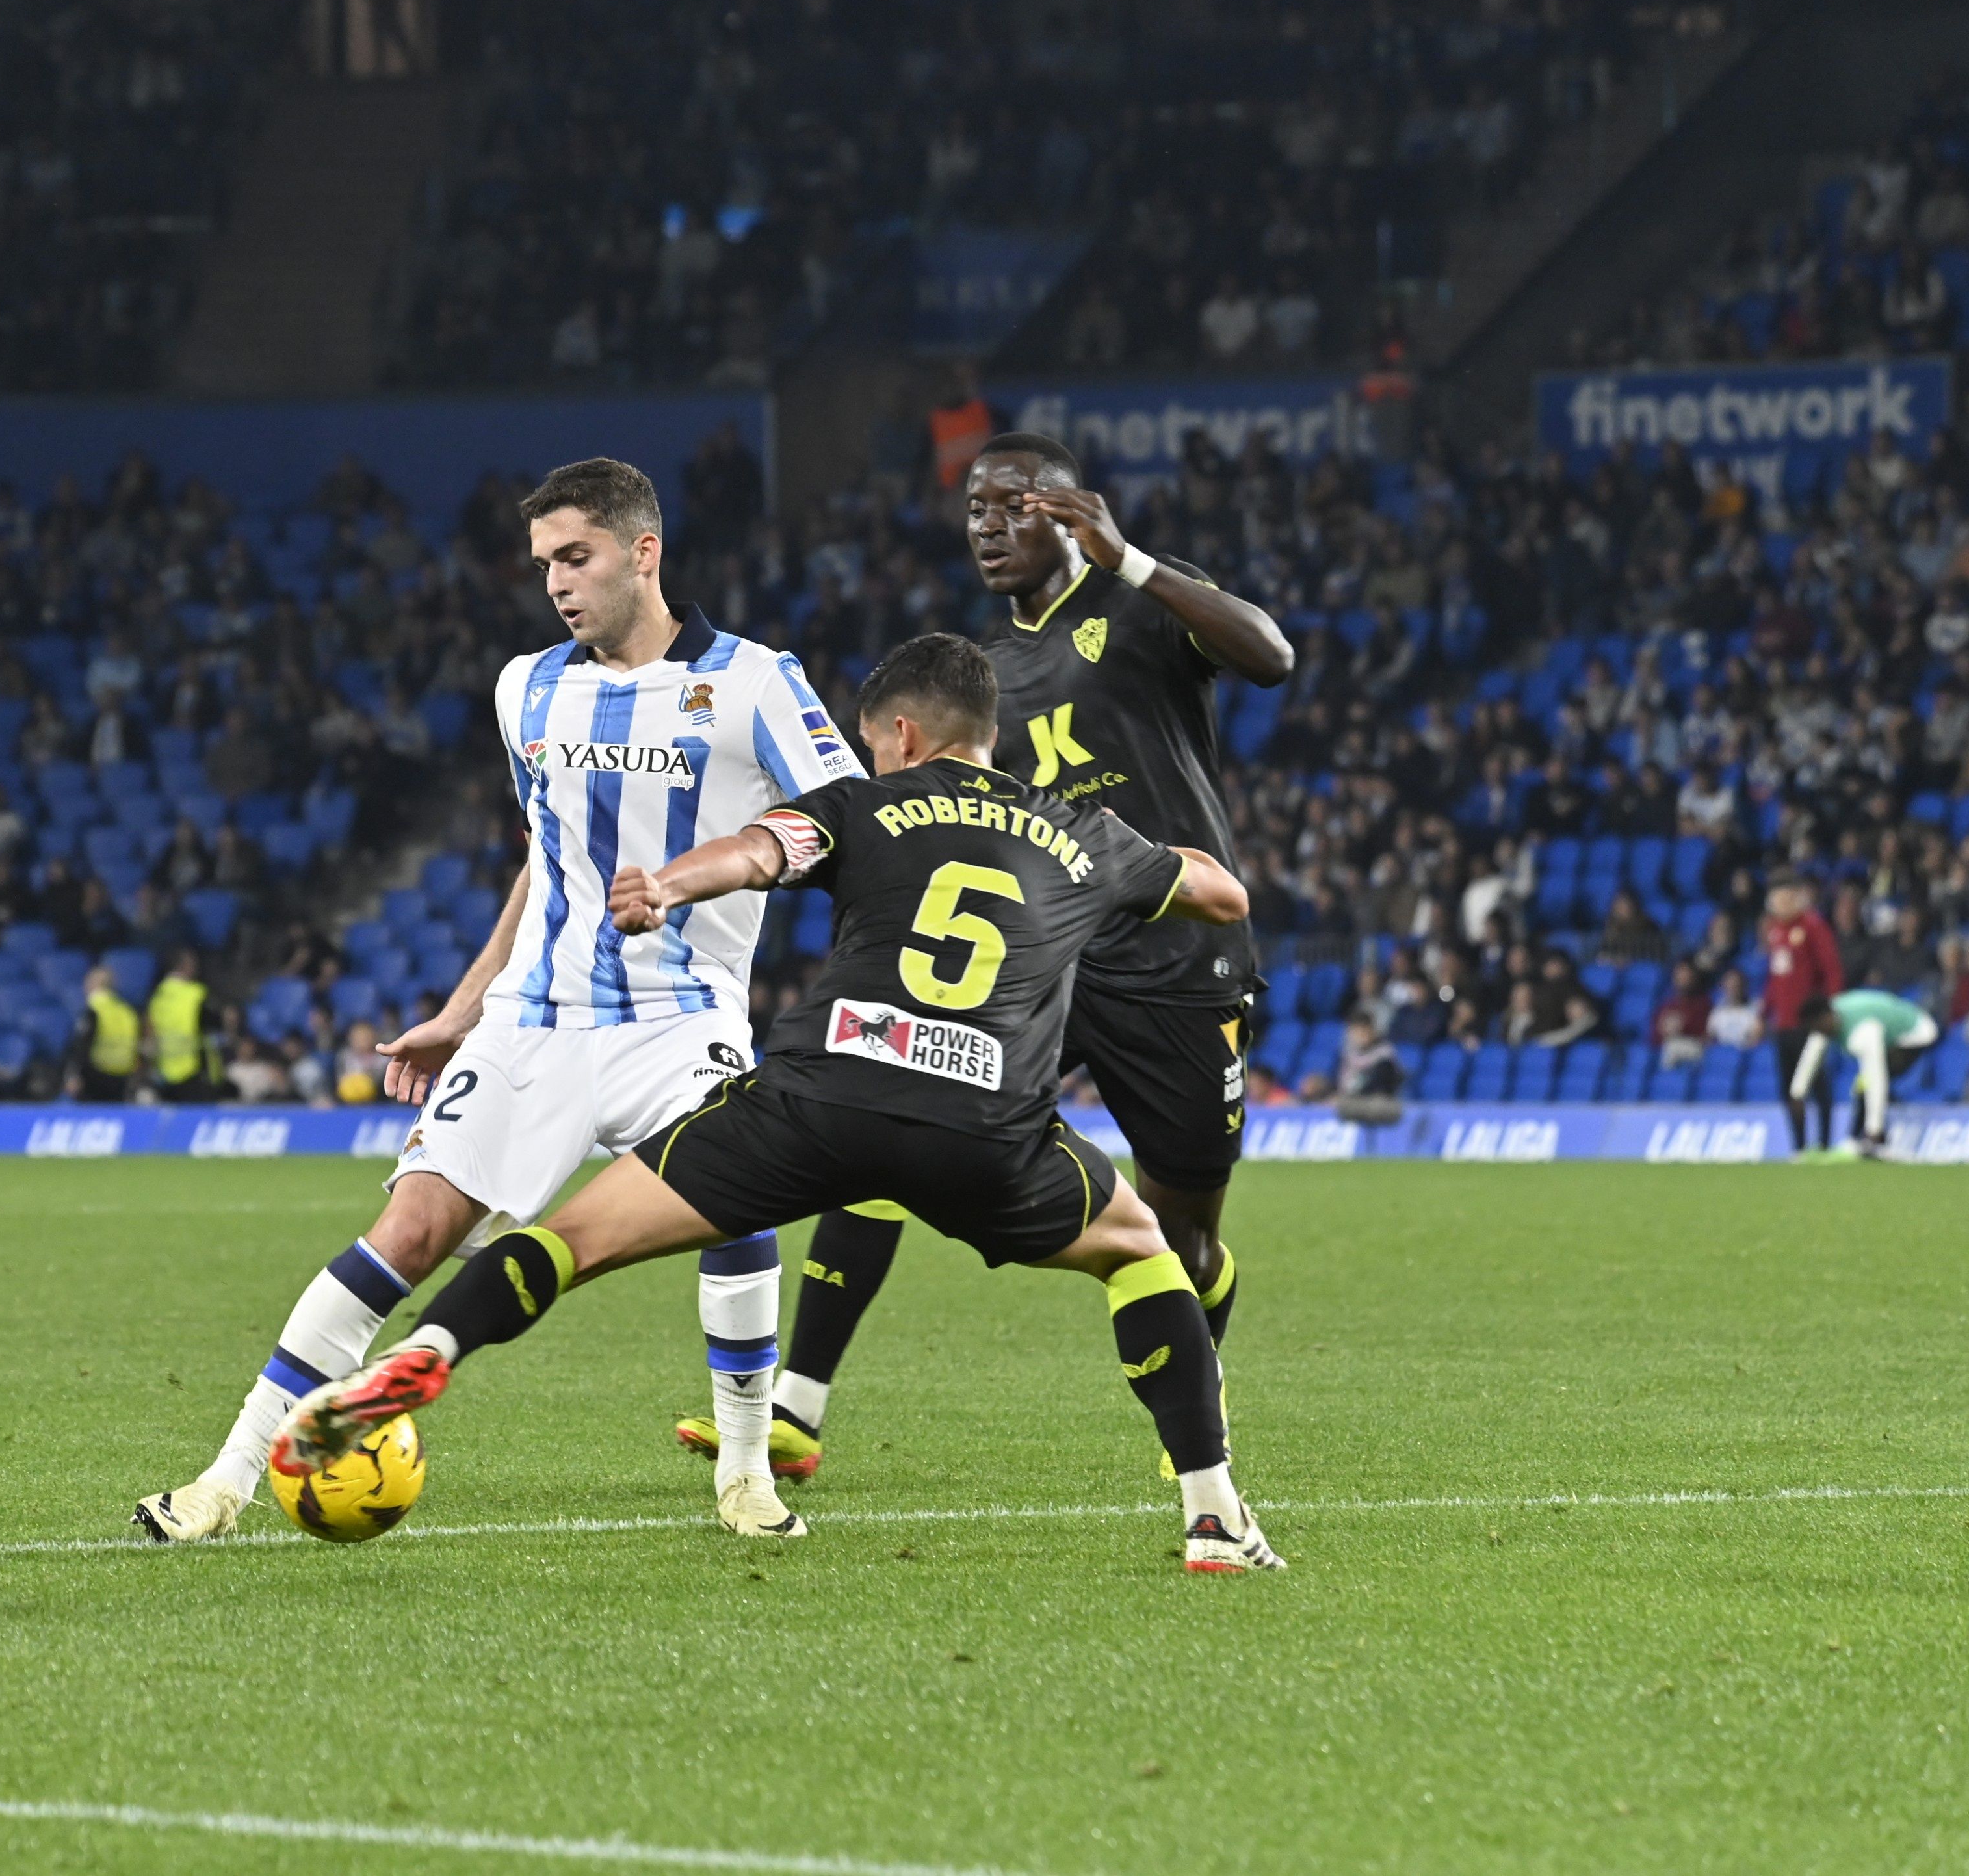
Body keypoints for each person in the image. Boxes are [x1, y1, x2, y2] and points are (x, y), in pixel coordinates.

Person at [276, 633, 1281, 1571]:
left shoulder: (861, 803)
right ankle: (1214, 1514)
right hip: (987, 1127)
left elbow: (759, 850)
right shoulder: (1080, 837)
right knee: (1141, 1249)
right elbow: (1220, 894)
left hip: (820, 1100)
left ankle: (429, 1348)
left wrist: (669, 886)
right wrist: (1143, 858)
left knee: (571, 1239)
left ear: (901, 735)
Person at [135, 456, 862, 1543]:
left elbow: (849, 816)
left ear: (644, 551)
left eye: (577, 556)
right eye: (543, 564)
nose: (557, 583)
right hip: (535, 1017)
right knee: (410, 1228)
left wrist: (729, 869)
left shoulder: (755, 681)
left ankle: (748, 1474)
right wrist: (465, 1006)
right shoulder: (526, 686)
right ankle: (226, 1480)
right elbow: (545, 858)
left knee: (740, 1200)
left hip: (682, 1014)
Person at [706, 432, 1293, 1481]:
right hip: (1049, 955)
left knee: (1183, 1233)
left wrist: (1133, 561)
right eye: (975, 507)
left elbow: (1271, 657)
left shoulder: (1140, 601)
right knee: (884, 1116)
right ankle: (796, 1407)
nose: (987, 523)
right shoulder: (987, 675)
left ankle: (1198, 1405)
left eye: (1013, 504)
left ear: (1072, 511)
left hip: (1180, 960)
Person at [1791, 989, 1941, 1160]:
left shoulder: (1863, 1032)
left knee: (1867, 1083)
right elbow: (1812, 1056)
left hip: (1916, 1033)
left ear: (1826, 1017)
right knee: (1863, 1084)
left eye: (1818, 1029)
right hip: (1890, 1029)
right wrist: (1797, 1092)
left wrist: (1874, 1130)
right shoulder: (1826, 1020)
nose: (1819, 1034)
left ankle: (1872, 1140)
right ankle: (1861, 1140)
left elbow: (1876, 1079)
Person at [1760, 869, 1843, 1159]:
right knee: (1790, 1089)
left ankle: (1825, 1146)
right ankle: (1799, 1148)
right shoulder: (1775, 931)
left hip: (1810, 1023)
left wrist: (1831, 1009)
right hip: (1783, 1025)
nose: (1782, 903)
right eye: (1777, 898)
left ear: (1797, 897)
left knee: (1818, 1086)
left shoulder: (1813, 926)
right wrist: (1763, 1014)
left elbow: (1832, 970)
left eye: (1787, 897)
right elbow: (1775, 978)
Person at [146, 948, 218, 1101]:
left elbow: (151, 1034)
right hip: (194, 1069)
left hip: (164, 1072)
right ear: (185, 966)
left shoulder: (156, 998)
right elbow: (216, 1022)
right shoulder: (197, 994)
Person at [75, 963, 142, 1103]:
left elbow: (83, 1044)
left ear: (93, 984)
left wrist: (75, 1074)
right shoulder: (128, 1012)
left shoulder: (94, 1009)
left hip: (94, 1078)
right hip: (122, 1078)